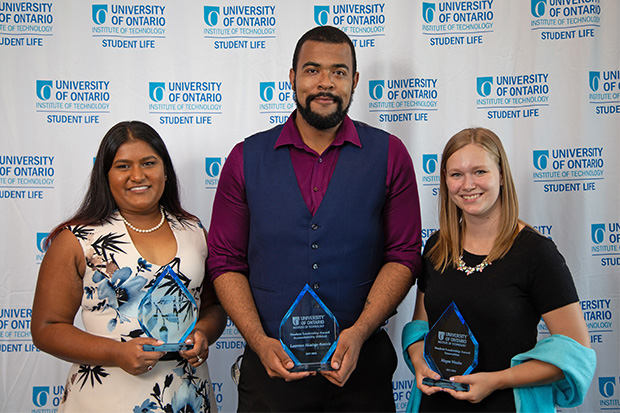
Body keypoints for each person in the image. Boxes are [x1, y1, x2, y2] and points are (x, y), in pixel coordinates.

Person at [207, 25, 422, 411]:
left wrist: (358, 333)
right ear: (292, 78)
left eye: (339, 72)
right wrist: (258, 341)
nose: (325, 83)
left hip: (362, 374)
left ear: (354, 81)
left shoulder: (390, 154)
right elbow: (225, 261)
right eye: (312, 70)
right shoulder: (245, 158)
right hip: (271, 371)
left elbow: (403, 254)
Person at [31, 121, 227, 412]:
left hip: (187, 396)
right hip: (105, 397)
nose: (138, 175)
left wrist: (203, 333)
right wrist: (116, 352)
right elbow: (46, 328)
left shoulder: (194, 231)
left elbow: (214, 307)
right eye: (123, 166)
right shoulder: (77, 240)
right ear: (105, 176)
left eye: (149, 163)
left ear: (165, 171)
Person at [402, 127, 596, 412]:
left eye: (480, 172)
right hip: (436, 404)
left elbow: (575, 352)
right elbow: (421, 327)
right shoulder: (436, 247)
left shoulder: (536, 253)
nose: (468, 184)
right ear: (445, 181)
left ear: (502, 175)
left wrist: (498, 380)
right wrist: (419, 363)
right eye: (456, 174)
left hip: (507, 404)